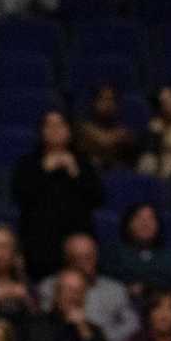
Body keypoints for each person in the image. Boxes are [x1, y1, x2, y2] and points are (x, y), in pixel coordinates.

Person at [11, 111, 104, 281]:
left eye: (60, 125)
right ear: (41, 131)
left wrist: (76, 173)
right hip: (40, 241)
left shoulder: (83, 163)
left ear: (69, 130)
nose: (55, 130)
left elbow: (98, 198)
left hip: (76, 238)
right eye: (49, 125)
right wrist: (43, 171)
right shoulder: (28, 163)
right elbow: (19, 196)